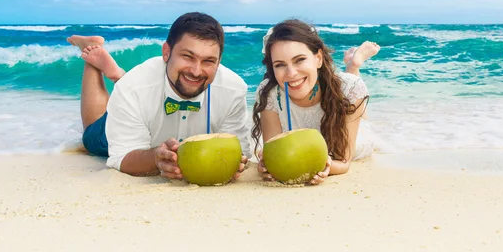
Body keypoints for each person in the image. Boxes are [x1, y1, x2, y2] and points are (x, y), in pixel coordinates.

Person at [66, 12, 252, 179]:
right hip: (132, 109)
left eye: (208, 61)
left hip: (144, 92)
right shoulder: (133, 88)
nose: (196, 71)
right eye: (187, 56)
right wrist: (155, 159)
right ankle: (91, 52)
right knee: (91, 137)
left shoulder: (233, 90)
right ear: (166, 52)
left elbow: (240, 151)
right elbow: (121, 156)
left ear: (219, 62)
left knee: (138, 89)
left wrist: (236, 162)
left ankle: (119, 76)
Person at [252, 19, 379, 185]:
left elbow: (344, 162)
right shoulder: (270, 94)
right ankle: (351, 65)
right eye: (280, 65)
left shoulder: (350, 89)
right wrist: (269, 166)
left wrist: (324, 166)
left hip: (350, 125)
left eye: (299, 60)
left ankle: (354, 65)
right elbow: (275, 152)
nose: (291, 73)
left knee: (355, 101)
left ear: (318, 58)